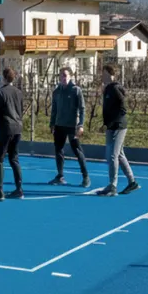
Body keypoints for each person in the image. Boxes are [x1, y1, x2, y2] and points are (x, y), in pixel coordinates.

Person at [97, 64, 140, 196]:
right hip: (110, 126)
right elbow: (107, 109)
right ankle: (132, 182)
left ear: (111, 75)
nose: (102, 76)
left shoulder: (115, 88)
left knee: (112, 155)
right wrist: (105, 124)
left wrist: (113, 122)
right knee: (119, 154)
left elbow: (122, 107)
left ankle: (113, 185)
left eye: (105, 73)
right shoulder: (107, 89)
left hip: (118, 126)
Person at [49, 66, 91, 188]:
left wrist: (80, 124)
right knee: (58, 150)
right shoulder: (56, 92)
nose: (63, 78)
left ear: (70, 76)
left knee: (77, 150)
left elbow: (82, 109)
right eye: (61, 75)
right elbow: (54, 109)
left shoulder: (76, 90)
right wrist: (52, 123)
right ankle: (60, 176)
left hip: (72, 126)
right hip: (59, 125)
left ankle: (85, 176)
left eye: (65, 75)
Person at [0, 67, 24, 200]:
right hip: (18, 128)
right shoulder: (19, 92)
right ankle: (19, 189)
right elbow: (21, 110)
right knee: (14, 158)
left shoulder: (0, 93)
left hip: (6, 128)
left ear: (3, 78)